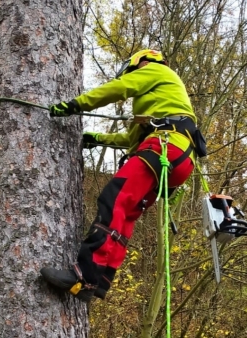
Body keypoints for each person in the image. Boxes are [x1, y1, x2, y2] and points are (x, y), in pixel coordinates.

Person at [40, 49, 197, 302]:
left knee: (113, 201)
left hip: (164, 147)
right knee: (124, 215)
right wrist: (98, 138)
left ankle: (84, 275)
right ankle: (101, 279)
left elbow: (118, 88)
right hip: (178, 158)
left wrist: (76, 105)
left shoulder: (155, 69)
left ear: (141, 63)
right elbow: (130, 138)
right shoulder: (162, 102)